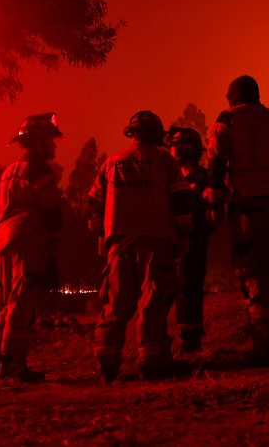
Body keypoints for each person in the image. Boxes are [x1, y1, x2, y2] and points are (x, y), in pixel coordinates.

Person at [205, 75, 269, 359]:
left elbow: (215, 159)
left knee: (252, 271)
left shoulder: (227, 119)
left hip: (246, 205)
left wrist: (214, 201)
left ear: (232, 96)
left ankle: (267, 341)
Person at [89, 110, 192, 382]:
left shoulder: (112, 162)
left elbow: (94, 202)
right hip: (156, 237)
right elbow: (181, 201)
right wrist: (185, 233)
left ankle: (106, 358)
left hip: (119, 237)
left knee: (116, 298)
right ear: (158, 136)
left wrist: (102, 231)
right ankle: (151, 359)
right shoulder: (165, 162)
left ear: (131, 134)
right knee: (153, 299)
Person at [0, 113, 64, 383]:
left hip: (3, 239)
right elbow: (51, 209)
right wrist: (55, 240)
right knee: (21, 304)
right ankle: (12, 368)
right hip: (28, 238)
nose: (53, 146)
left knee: (7, 304)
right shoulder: (38, 167)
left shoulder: (7, 171)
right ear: (39, 142)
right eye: (51, 141)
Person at [166, 126, 212, 353]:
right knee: (168, 287)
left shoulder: (202, 177)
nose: (171, 153)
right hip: (169, 239)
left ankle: (189, 338)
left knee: (188, 286)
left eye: (173, 148)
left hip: (193, 239)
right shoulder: (169, 178)